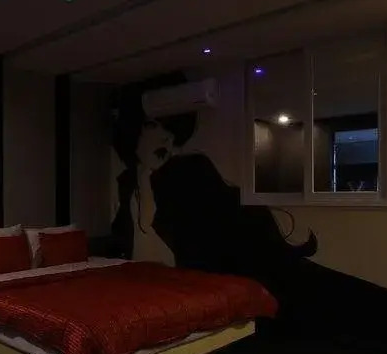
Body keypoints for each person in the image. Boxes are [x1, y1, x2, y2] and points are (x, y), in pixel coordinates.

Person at [111, 73, 317, 289]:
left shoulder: (190, 172)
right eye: (152, 125)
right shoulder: (131, 185)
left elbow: (179, 253)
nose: (166, 137)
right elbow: (135, 246)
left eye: (171, 130)